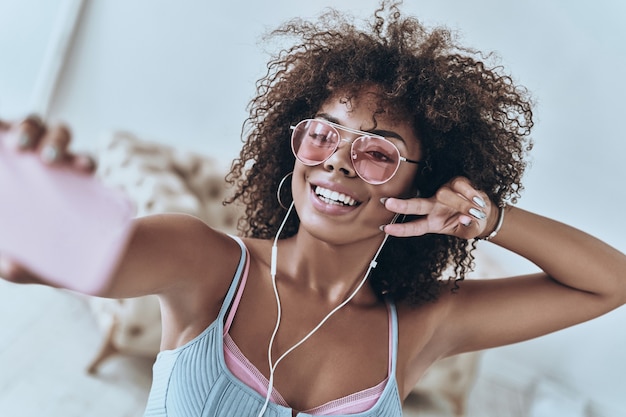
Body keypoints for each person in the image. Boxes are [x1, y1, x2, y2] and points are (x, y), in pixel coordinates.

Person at [1, 2, 625, 416]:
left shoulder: (420, 325)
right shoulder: (205, 263)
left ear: (424, 181)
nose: (338, 162)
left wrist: (489, 220)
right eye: (323, 134)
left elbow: (609, 283)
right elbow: (25, 262)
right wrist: (27, 189)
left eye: (378, 151)